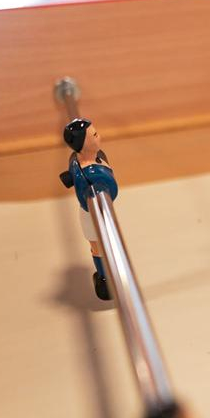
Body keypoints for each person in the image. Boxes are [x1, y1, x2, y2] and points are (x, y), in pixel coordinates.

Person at [59, 118, 118, 300]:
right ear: (83, 143)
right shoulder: (89, 172)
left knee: (106, 244)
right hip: (94, 214)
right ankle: (104, 277)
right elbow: (99, 191)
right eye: (95, 135)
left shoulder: (82, 159)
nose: (99, 136)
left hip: (103, 210)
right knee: (98, 247)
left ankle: (110, 271)